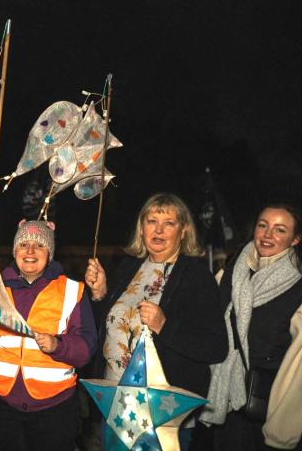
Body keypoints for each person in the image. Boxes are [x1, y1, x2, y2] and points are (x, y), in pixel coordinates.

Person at [85, 192, 228, 449]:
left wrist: (165, 326)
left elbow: (216, 347)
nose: (159, 230)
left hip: (162, 414)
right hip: (116, 404)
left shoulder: (196, 276)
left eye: (169, 223)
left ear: (183, 231)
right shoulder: (128, 268)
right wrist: (100, 296)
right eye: (152, 221)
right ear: (141, 228)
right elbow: (106, 332)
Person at [200, 203, 302, 450]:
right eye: (263, 225)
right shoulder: (228, 274)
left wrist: (280, 433)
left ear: (295, 239)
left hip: (273, 413)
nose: (268, 235)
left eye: (280, 230)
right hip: (226, 408)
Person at [0, 220, 97, 451]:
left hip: (54, 408)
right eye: (23, 244)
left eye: (39, 245)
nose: (30, 251)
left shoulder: (72, 290)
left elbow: (86, 349)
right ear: (15, 251)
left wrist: (58, 345)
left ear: (50, 253)